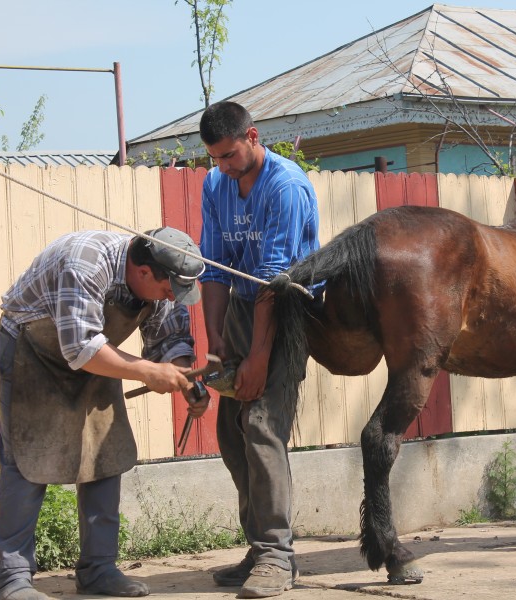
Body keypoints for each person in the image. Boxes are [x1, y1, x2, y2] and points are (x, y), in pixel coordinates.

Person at [0, 227, 210, 600]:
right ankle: (10, 576)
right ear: (142, 273)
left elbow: (169, 338)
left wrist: (185, 378)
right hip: (35, 353)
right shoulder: (85, 263)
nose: (173, 296)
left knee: (106, 456)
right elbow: (81, 348)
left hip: (95, 355)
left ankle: (98, 568)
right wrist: (149, 371)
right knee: (27, 461)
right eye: (169, 289)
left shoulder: (162, 272)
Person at [198, 100, 319, 598]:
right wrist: (217, 343)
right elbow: (212, 266)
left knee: (261, 425)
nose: (223, 167)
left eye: (229, 155)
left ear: (252, 136)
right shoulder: (215, 185)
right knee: (231, 432)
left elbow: (273, 280)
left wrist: (258, 358)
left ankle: (277, 556)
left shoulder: (286, 187)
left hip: (288, 311)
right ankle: (258, 547)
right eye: (215, 158)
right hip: (240, 312)